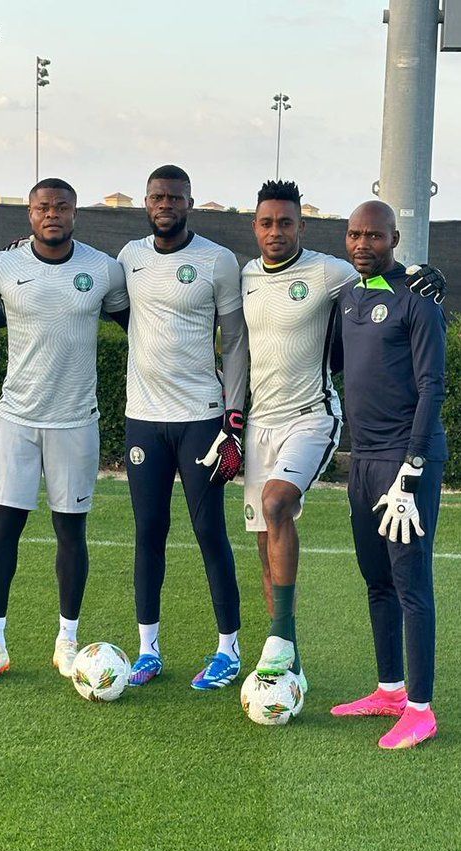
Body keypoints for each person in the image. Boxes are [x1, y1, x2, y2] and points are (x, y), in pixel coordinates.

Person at [0, 178, 130, 684]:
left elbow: (140, 327)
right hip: (16, 420)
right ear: (30, 215)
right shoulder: (2, 265)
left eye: (61, 206)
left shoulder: (103, 270)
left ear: (75, 212)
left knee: (71, 531)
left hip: (76, 422)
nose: (52, 214)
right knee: (5, 530)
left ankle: (67, 640)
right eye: (43, 207)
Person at [117, 165, 248, 690]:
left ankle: (229, 650)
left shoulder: (217, 261)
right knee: (148, 534)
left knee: (208, 531)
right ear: (146, 203)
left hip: (200, 419)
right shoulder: (129, 258)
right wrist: (22, 246)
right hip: (143, 422)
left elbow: (236, 341)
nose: (164, 203)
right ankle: (148, 650)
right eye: (156, 196)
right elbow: (77, 276)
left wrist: (233, 416)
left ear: (190, 201)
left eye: (174, 196)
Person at [330, 201, 447, 750]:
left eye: (373, 236)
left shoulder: (417, 303)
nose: (361, 244)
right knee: (377, 580)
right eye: (354, 235)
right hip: (364, 460)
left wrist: (414, 468)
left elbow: (432, 388)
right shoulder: (349, 298)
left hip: (406, 462)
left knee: (411, 585)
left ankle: (421, 710)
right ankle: (390, 690)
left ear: (394, 238)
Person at [241, 180, 357, 690]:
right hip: (259, 424)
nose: (275, 232)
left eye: (285, 223)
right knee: (266, 548)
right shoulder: (245, 275)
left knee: (277, 502)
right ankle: (291, 663)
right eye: (267, 223)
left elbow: (380, 284)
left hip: (312, 416)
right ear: (255, 227)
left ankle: (281, 636)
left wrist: (417, 278)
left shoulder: (331, 272)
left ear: (301, 227)